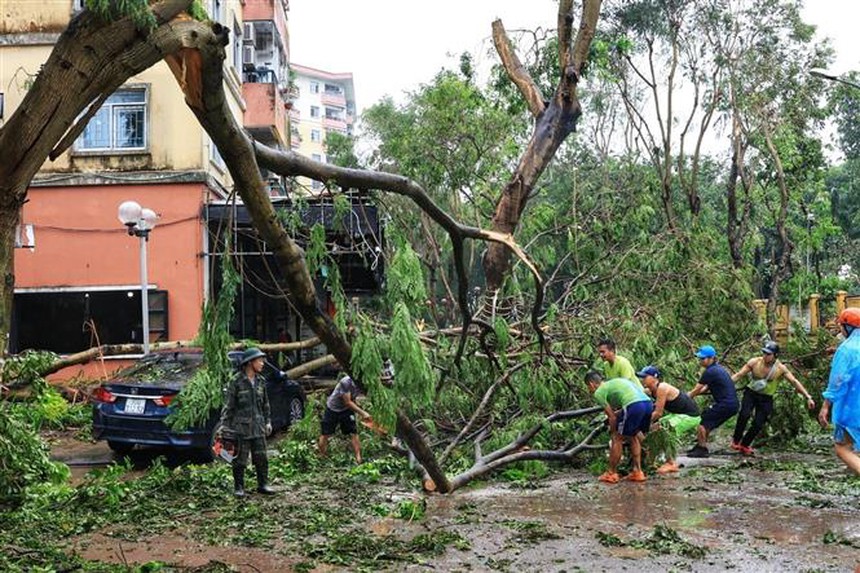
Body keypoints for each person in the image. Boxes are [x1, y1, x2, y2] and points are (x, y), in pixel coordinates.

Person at [730, 341, 816, 455]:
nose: (765, 356)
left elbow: (794, 382)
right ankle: (736, 440)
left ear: (775, 355)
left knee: (758, 423)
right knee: (744, 414)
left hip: (766, 398)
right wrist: (724, 385)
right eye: (764, 353)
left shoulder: (780, 368)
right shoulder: (755, 362)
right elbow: (739, 375)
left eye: (768, 354)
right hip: (751, 393)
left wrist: (807, 396)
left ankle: (744, 444)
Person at [219, 347, 275, 497]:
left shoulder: (261, 381)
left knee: (261, 457)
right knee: (239, 460)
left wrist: (268, 421)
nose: (262, 363)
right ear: (250, 363)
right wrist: (224, 426)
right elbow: (228, 406)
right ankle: (239, 487)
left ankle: (262, 484)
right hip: (241, 428)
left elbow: (266, 404)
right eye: (259, 360)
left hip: (258, 427)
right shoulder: (236, 381)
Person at [586, 371, 654, 483]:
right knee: (633, 436)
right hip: (647, 404)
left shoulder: (598, 392)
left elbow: (612, 417)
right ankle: (638, 472)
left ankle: (611, 473)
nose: (589, 390)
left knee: (617, 438)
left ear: (592, 384)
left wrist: (612, 432)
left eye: (588, 387)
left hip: (633, 405)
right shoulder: (615, 382)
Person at [818, 308, 860, 475]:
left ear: (847, 327)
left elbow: (837, 382)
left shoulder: (846, 349)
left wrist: (825, 406)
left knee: (842, 449)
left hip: (852, 409)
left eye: (841, 326)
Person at [636, 365, 701, 474]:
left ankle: (671, 463)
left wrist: (642, 425)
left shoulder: (662, 388)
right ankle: (652, 456)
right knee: (655, 428)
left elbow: (658, 413)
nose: (642, 380)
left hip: (690, 416)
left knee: (665, 430)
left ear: (655, 378)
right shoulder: (649, 390)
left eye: (645, 377)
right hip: (677, 415)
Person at [687, 345, 739, 458]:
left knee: (702, 421)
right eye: (700, 359)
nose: (700, 361)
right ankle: (701, 445)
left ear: (711, 358)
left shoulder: (710, 372)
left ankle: (702, 449)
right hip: (732, 405)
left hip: (725, 404)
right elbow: (705, 388)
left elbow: (697, 389)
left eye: (703, 359)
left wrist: (686, 397)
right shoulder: (718, 369)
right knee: (708, 423)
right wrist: (695, 393)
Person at [319, 370, 372, 464]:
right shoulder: (345, 382)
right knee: (326, 433)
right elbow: (347, 402)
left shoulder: (363, 382)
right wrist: (363, 413)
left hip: (346, 410)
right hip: (332, 409)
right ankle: (322, 457)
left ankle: (358, 459)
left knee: (353, 433)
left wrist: (358, 409)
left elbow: (353, 398)